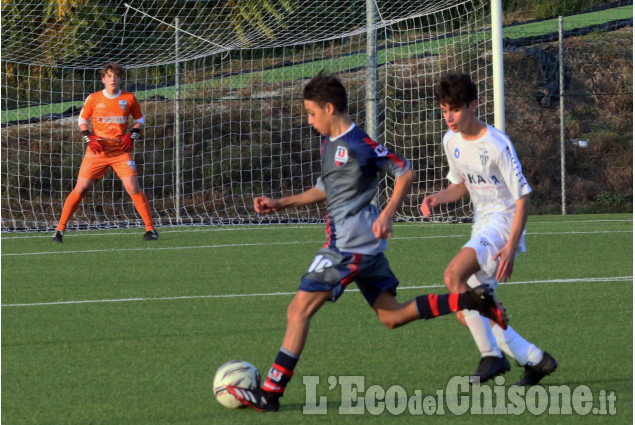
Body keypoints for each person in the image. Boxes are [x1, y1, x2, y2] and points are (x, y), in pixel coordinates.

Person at [227, 71, 508, 412]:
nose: (309, 120)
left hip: (349, 247)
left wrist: (389, 212)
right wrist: (280, 203)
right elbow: (325, 189)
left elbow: (404, 170)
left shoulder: (359, 144)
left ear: (330, 108)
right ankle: (470, 302)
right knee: (392, 316)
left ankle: (270, 393)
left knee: (298, 310)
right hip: (361, 249)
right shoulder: (331, 144)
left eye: (312, 113)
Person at [420, 73, 557, 385]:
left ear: (473, 105)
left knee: (453, 276)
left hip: (504, 223)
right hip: (482, 223)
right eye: (443, 110)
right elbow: (460, 186)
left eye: (454, 109)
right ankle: (535, 359)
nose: (448, 117)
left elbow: (522, 196)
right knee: (468, 309)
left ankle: (492, 358)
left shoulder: (496, 144)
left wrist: (510, 245)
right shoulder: (450, 140)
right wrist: (437, 198)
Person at [51, 62, 158, 242]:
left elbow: (139, 118)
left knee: (133, 187)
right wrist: (88, 137)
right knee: (81, 188)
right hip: (97, 151)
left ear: (121, 78)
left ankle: (151, 230)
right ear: (103, 79)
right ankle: (59, 230)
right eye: (109, 76)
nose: (112, 79)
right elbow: (82, 120)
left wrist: (132, 134)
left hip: (120, 151)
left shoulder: (129, 98)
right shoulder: (93, 98)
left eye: (116, 76)